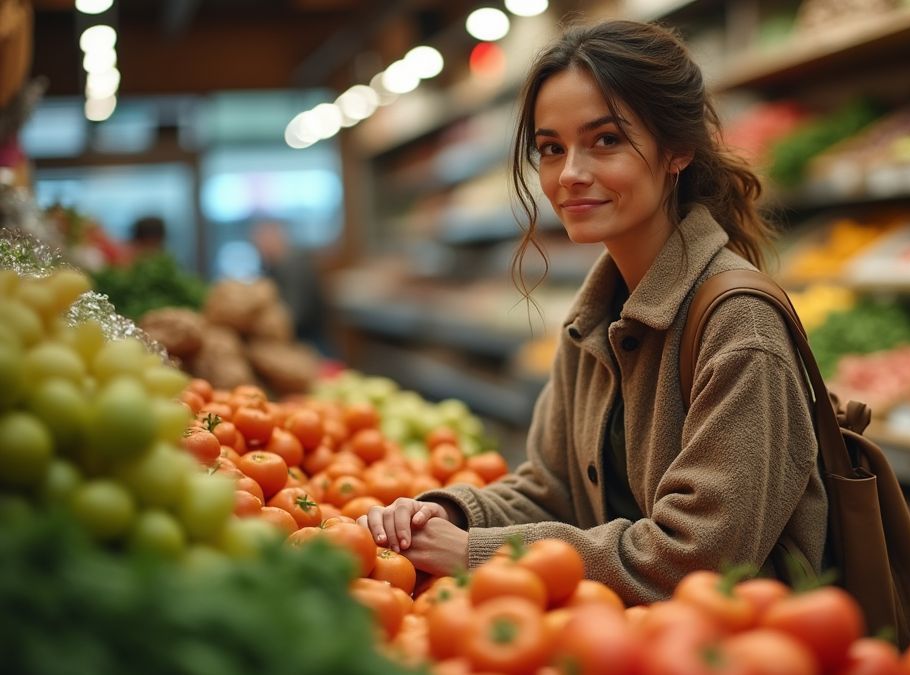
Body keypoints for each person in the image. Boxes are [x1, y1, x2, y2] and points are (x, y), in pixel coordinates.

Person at [360, 19, 827, 605]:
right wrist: (447, 513)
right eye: (552, 148)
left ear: (676, 149)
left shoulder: (740, 326)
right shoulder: (597, 316)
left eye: (605, 140)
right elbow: (554, 489)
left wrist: (477, 554)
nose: (571, 174)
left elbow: (699, 559)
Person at [250, 218, 329, 354]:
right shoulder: (271, 267)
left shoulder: (294, 267)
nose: (260, 247)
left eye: (263, 240)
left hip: (308, 344)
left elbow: (296, 314)